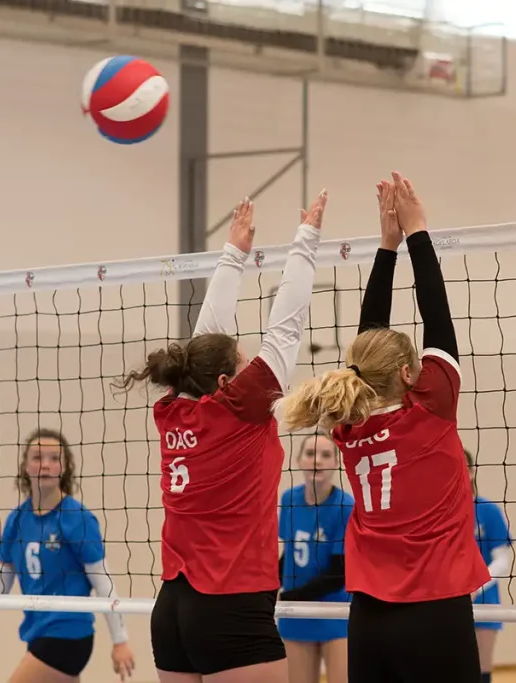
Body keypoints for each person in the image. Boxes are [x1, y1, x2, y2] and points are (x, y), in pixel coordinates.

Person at [279, 172, 488, 683]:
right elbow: (437, 317)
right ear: (408, 375)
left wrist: (392, 243)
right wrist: (415, 233)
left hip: (369, 615)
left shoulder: (348, 424)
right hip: (436, 608)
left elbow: (369, 345)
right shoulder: (430, 410)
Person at [116, 193, 327, 683]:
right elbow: (286, 329)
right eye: (242, 361)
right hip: (230, 606)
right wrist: (306, 240)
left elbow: (203, 346)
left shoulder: (173, 410)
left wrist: (234, 255)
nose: (251, 361)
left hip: (172, 610)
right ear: (228, 383)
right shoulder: (240, 410)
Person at [0, 428, 135, 683]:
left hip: (68, 634)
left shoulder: (76, 518)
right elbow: (1, 581)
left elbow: (103, 581)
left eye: (54, 458)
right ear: (25, 466)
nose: (45, 464)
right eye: (37, 457)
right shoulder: (17, 520)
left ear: (64, 468)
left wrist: (120, 640)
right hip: (37, 632)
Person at [278, 433, 354, 683]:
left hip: (335, 612)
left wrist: (288, 597)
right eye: (310, 454)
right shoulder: (289, 499)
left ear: (336, 463)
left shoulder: (345, 505)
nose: (317, 460)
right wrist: (269, 589)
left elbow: (338, 574)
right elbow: (288, 554)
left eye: (325, 455)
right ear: (299, 460)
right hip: (296, 615)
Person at [464, 448, 513, 683]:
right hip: (446, 601)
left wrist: (476, 586)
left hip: (484, 601)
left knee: (481, 671)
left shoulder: (488, 510)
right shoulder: (437, 513)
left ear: (472, 472)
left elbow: (502, 560)